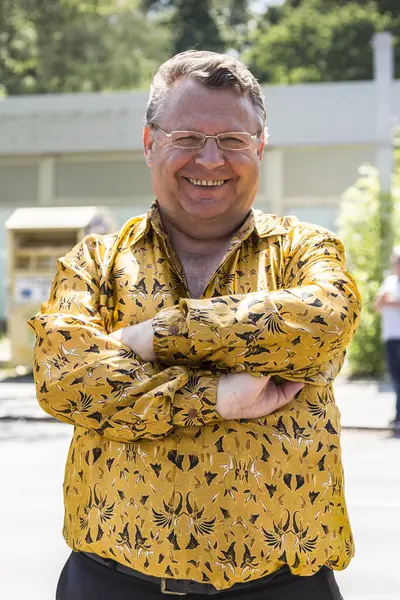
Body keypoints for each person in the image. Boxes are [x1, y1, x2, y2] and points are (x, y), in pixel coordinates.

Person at [28, 50, 361, 600]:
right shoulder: (95, 264)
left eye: (231, 140)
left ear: (260, 145)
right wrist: (218, 395)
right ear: (149, 142)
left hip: (281, 586)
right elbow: (65, 377)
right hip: (112, 583)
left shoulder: (305, 250)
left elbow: (326, 321)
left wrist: (157, 337)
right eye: (187, 137)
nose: (210, 159)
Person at [375, 246, 400, 429]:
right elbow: (377, 306)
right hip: (390, 336)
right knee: (395, 377)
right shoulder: (389, 281)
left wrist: (390, 302)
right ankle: (398, 414)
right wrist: (383, 301)